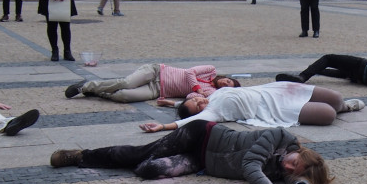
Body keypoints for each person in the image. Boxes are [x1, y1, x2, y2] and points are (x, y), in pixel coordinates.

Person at [50, 120, 331, 184]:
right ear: (299, 152)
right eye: (294, 163)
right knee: (140, 155)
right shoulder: (279, 136)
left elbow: (296, 178)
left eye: (295, 172)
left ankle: (131, 161)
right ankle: (80, 156)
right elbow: (250, 166)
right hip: (202, 135)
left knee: (149, 170)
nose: (289, 169)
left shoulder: (293, 168)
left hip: (201, 161)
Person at [144, 81, 364, 131]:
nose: (199, 102)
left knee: (335, 97)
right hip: (272, 109)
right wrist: (162, 127)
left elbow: (187, 105)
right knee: (327, 114)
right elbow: (188, 120)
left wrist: (171, 103)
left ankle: (343, 105)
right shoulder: (213, 112)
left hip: (272, 90)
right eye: (197, 106)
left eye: (194, 100)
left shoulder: (213, 95)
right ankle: (345, 108)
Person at [65, 64, 240, 103]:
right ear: (228, 77)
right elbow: (189, 72)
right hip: (157, 71)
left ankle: (97, 92)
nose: (225, 83)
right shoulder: (211, 70)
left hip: (157, 89)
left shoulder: (211, 91)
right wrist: (197, 87)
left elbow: (190, 97)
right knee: (126, 83)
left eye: (227, 87)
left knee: (124, 96)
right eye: (229, 81)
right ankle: (85, 86)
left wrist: (202, 97)